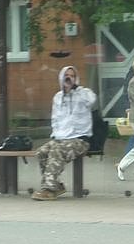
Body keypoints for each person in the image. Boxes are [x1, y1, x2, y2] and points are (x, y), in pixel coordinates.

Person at [32, 66, 97, 201]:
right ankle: (57, 186)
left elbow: (91, 101)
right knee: (41, 152)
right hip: (61, 138)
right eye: (66, 75)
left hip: (80, 139)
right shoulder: (58, 97)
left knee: (57, 150)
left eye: (72, 76)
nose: (69, 78)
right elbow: (55, 119)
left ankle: (49, 189)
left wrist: (75, 88)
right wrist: (55, 135)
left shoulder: (83, 93)